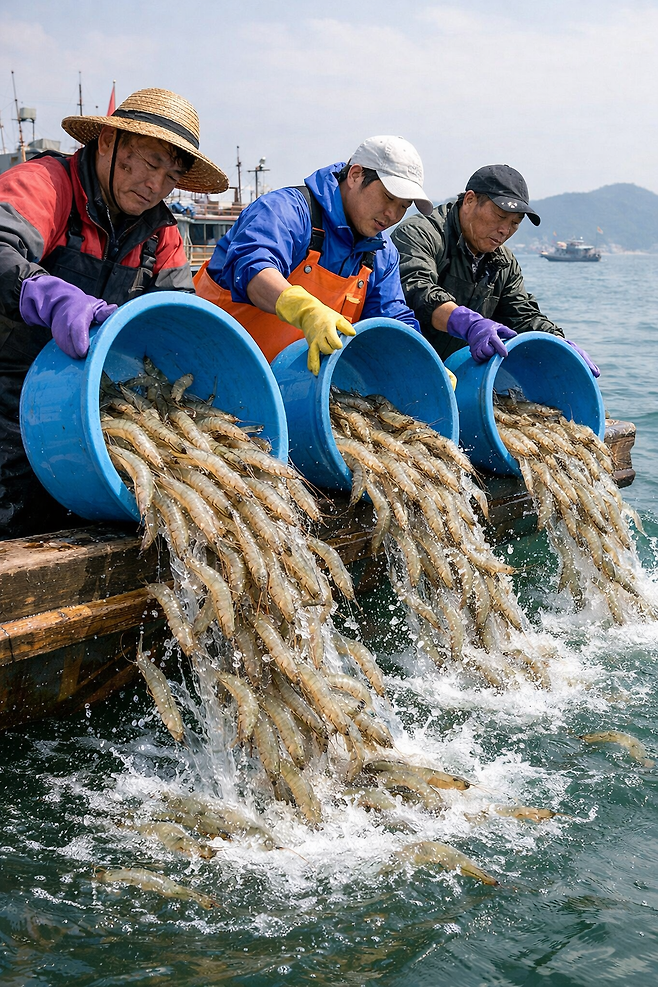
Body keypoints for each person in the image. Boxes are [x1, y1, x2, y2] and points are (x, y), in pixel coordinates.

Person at [0, 87, 228, 539]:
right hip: (7, 400)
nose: (155, 186)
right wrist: (47, 293)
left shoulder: (160, 234)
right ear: (107, 141)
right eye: (148, 162)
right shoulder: (47, 184)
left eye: (170, 175)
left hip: (86, 413)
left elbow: (180, 325)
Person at [194, 135, 433, 372]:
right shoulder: (286, 210)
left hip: (289, 388)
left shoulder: (381, 253)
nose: (392, 214)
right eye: (388, 197)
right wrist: (305, 310)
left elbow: (391, 317)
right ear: (355, 175)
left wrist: (422, 360)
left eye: (404, 206)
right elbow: (252, 268)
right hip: (207, 361)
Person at [391, 164, 600, 375]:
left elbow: (523, 317)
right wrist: (469, 324)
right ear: (470, 200)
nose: (505, 230)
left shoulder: (504, 263)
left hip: (458, 375)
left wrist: (557, 342)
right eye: (500, 216)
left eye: (515, 223)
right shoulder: (421, 233)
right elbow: (417, 290)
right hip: (400, 362)